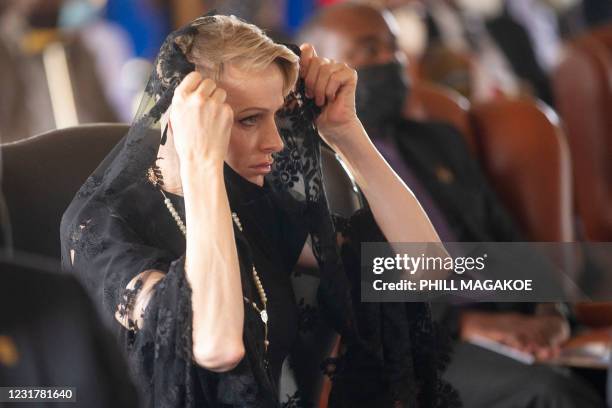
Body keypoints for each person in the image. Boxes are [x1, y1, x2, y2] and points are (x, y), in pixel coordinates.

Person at [61, 13, 458, 408]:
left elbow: (427, 268)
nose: (276, 142)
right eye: (249, 120)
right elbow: (217, 347)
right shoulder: (99, 227)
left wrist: (346, 132)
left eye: (278, 115)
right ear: (182, 118)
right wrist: (200, 165)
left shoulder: (250, 201)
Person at [298, 3, 604, 407]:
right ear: (319, 64)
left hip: (510, 319)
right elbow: (348, 283)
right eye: (369, 50)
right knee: (550, 394)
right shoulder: (307, 168)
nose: (390, 60)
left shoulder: (438, 140)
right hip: (416, 344)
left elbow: (507, 241)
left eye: (394, 48)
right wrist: (464, 322)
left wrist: (549, 309)